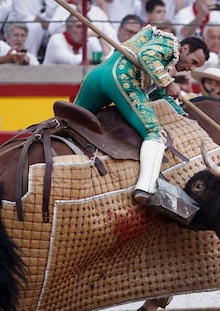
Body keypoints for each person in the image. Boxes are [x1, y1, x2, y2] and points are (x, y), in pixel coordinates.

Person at [74, 25, 209, 205]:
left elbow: (158, 94)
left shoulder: (164, 63)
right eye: (193, 62)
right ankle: (145, 188)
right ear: (184, 49)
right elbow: (146, 56)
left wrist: (180, 113)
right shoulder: (169, 44)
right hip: (123, 78)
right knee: (155, 132)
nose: (192, 69)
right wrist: (168, 82)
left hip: (98, 76)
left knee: (70, 119)